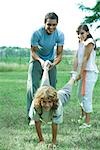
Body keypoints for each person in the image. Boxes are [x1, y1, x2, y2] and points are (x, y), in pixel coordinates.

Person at [29, 61, 77, 149]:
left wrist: (53, 142)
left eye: (49, 102)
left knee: (66, 91)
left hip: (57, 96)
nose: (47, 105)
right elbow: (37, 122)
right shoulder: (35, 105)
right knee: (44, 83)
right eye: (44, 102)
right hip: (43, 92)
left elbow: (54, 124)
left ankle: (73, 77)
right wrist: (41, 140)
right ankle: (46, 68)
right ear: (40, 101)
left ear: (53, 102)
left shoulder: (57, 104)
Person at [27, 12, 64, 123]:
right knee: (33, 88)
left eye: (54, 25)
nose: (51, 27)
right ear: (44, 23)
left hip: (51, 62)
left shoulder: (60, 35)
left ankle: (52, 114)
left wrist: (53, 63)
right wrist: (41, 61)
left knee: (51, 89)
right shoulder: (37, 33)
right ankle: (33, 116)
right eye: (49, 25)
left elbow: (59, 54)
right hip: (36, 60)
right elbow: (33, 52)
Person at [73, 24, 99, 129]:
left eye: (82, 33)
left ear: (87, 33)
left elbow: (85, 59)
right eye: (78, 34)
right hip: (82, 72)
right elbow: (76, 58)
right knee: (80, 95)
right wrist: (74, 72)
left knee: (86, 96)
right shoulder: (80, 43)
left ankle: (87, 122)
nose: (80, 36)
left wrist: (80, 73)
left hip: (89, 73)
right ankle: (82, 117)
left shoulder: (90, 42)